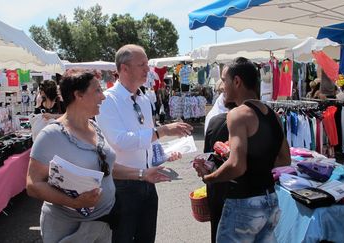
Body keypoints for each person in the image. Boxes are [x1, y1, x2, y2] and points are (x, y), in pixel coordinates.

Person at [26, 70, 171, 243]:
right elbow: (33, 185)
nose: (103, 97)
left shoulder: (94, 126)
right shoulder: (51, 134)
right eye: (97, 91)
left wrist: (143, 174)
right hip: (71, 228)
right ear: (78, 95)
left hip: (104, 223)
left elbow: (105, 167)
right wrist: (74, 203)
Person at [96, 44, 193, 243]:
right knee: (122, 238)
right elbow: (120, 141)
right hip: (122, 185)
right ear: (124, 68)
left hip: (148, 182)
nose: (147, 70)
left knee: (146, 238)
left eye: (147, 64)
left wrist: (162, 155)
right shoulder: (108, 100)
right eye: (141, 65)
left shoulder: (142, 98)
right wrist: (162, 131)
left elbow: (146, 140)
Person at [201, 57, 291, 243]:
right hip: (270, 201)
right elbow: (284, 159)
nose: (222, 86)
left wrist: (209, 178)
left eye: (224, 80)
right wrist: (256, 161)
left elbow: (237, 166)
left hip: (244, 202)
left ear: (237, 81)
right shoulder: (273, 114)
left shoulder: (237, 115)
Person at [194, 97, 237, 243]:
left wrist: (207, 177)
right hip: (247, 194)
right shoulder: (264, 119)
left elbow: (207, 159)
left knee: (219, 233)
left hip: (219, 191)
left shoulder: (215, 121)